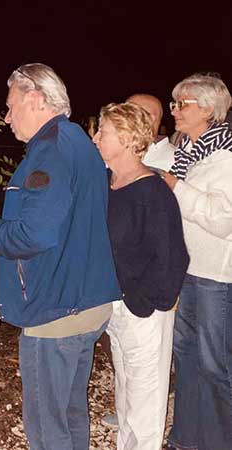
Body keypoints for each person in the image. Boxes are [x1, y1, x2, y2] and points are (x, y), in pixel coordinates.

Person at [0, 63, 121, 450]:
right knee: (71, 413)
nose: (6, 118)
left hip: (55, 312)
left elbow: (32, 234)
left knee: (45, 427)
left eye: (10, 106)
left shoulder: (49, 153)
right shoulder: (78, 143)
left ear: (36, 99)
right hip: (86, 302)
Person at [93, 102, 189, 450]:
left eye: (102, 132)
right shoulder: (108, 183)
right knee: (126, 391)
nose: (96, 138)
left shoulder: (152, 192)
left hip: (143, 310)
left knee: (146, 399)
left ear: (126, 138)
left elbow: (173, 257)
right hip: (115, 303)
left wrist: (148, 304)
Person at [161, 73, 232, 450]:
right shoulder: (184, 153)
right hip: (186, 272)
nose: (174, 110)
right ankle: (185, 439)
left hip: (214, 278)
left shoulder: (225, 157)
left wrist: (176, 188)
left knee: (215, 366)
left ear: (207, 108)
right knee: (186, 360)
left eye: (181, 103)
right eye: (173, 103)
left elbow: (222, 221)